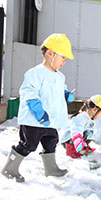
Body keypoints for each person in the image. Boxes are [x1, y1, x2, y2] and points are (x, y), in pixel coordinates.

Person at [1, 33, 75, 182]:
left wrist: (66, 95)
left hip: (51, 120)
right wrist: (38, 111)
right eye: (63, 57)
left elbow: (60, 89)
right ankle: (10, 168)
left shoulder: (60, 76)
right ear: (50, 53)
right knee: (28, 145)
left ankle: (51, 169)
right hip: (34, 120)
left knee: (51, 141)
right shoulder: (35, 73)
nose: (64, 61)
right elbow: (29, 93)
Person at [60, 95, 101, 159]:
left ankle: (82, 147)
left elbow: (95, 135)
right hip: (68, 140)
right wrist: (77, 140)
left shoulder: (90, 121)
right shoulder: (81, 117)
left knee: (91, 132)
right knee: (86, 131)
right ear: (95, 109)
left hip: (77, 141)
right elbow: (76, 128)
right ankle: (71, 150)